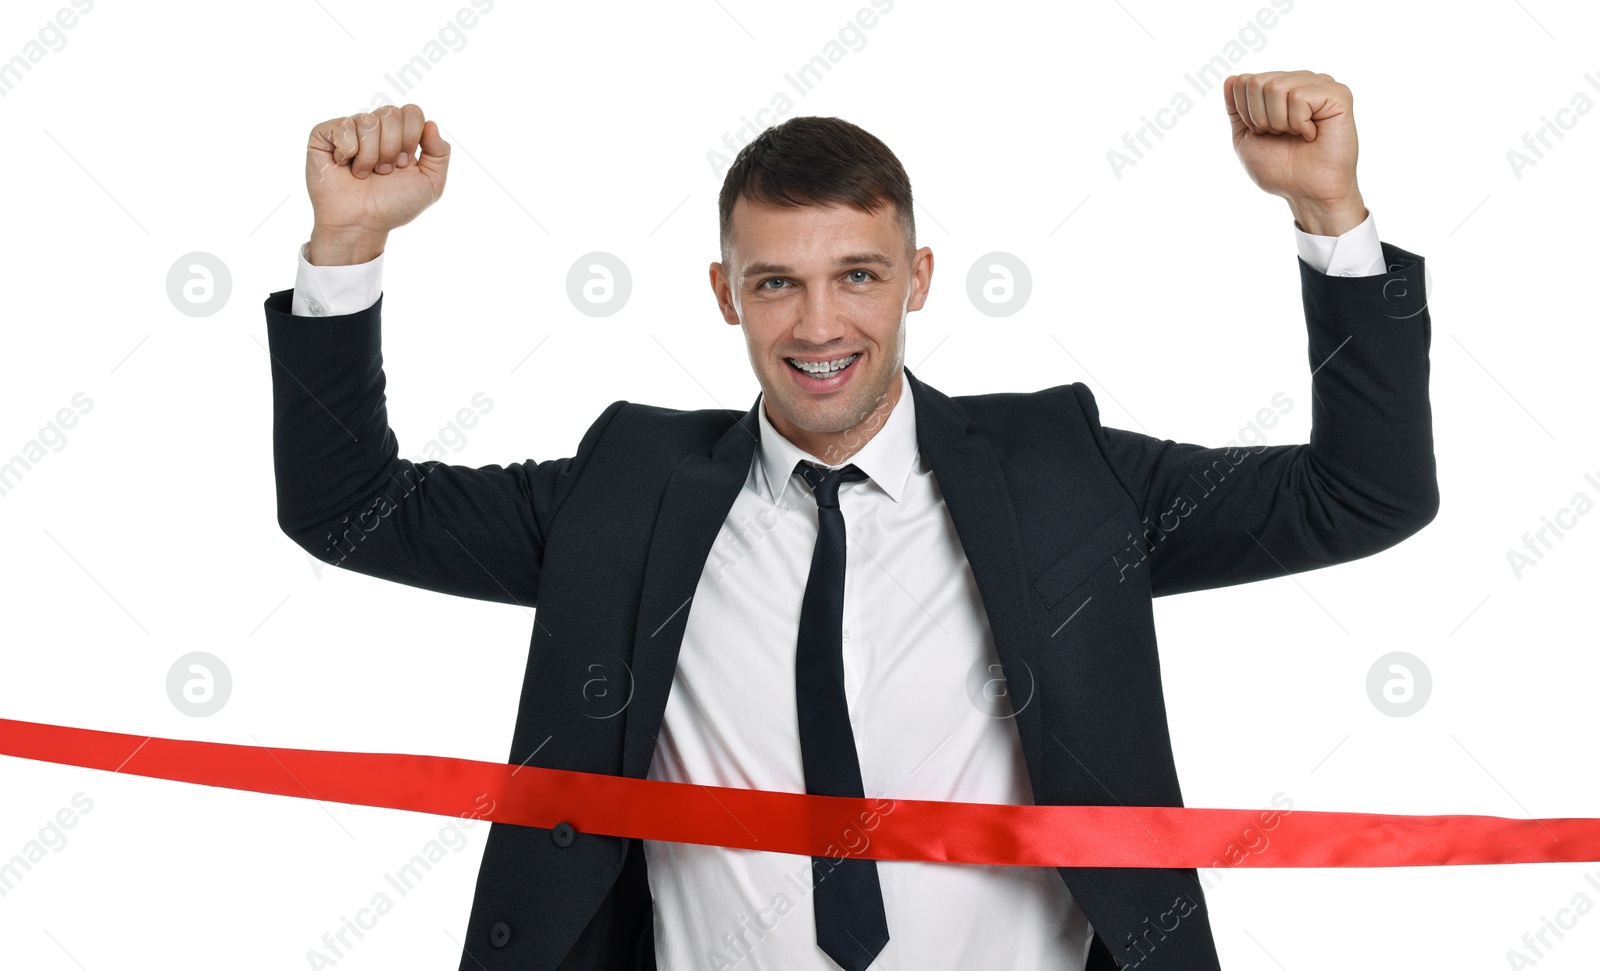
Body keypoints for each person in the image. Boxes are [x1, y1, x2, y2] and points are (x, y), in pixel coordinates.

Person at [263, 71, 1437, 971]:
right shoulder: (626, 486)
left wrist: (1328, 213)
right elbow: (351, 507)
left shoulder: (1062, 475)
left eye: (858, 275)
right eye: (775, 280)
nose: (818, 322)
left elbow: (1364, 494)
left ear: (917, 278)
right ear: (725, 293)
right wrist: (349, 248)